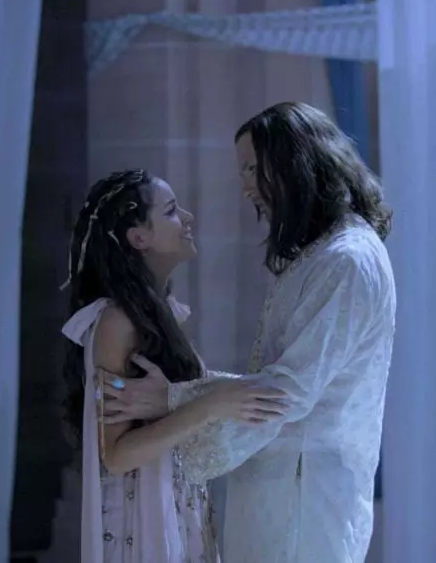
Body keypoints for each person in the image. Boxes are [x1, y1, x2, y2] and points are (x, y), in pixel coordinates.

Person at [100, 103, 397, 563]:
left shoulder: (346, 259)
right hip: (283, 494)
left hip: (302, 505)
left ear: (295, 163)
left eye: (253, 169)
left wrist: (176, 400)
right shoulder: (322, 254)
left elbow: (285, 393)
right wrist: (185, 400)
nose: (244, 188)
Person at [60, 169, 287, 563]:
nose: (187, 218)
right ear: (138, 237)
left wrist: (189, 401)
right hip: (142, 521)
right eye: (170, 211)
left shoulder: (159, 314)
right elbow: (115, 455)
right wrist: (211, 403)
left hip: (177, 505)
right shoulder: (117, 322)